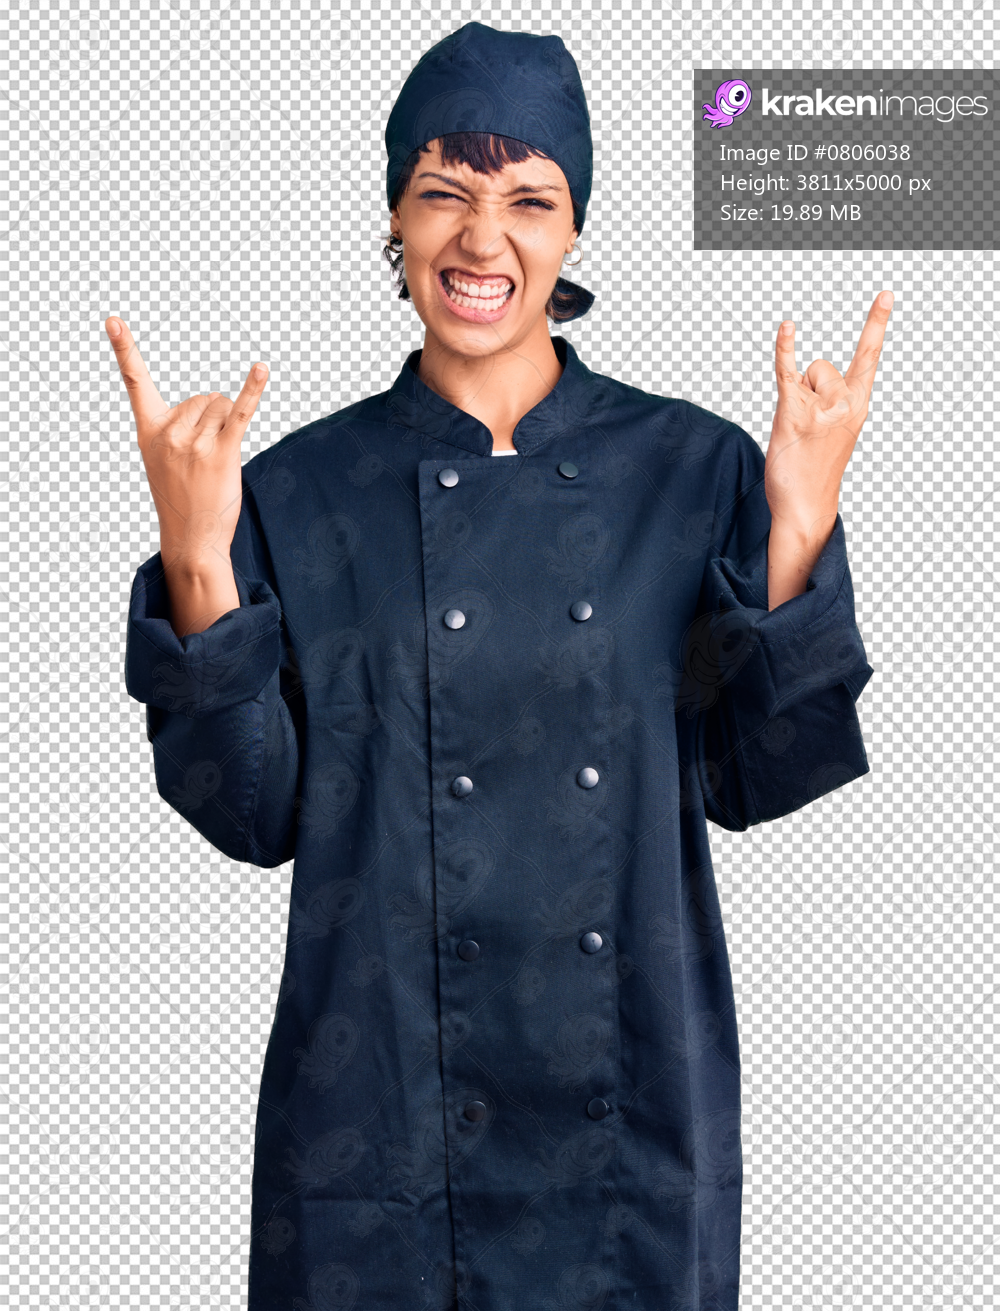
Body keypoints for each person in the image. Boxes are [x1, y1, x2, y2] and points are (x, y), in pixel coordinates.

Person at [108, 22, 891, 1311]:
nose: (484, 240)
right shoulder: (299, 486)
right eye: (443, 195)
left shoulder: (688, 471)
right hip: (380, 1134)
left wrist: (796, 518)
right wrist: (199, 555)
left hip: (626, 1128)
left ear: (575, 230)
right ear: (395, 223)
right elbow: (247, 814)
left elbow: (767, 770)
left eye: (530, 200)